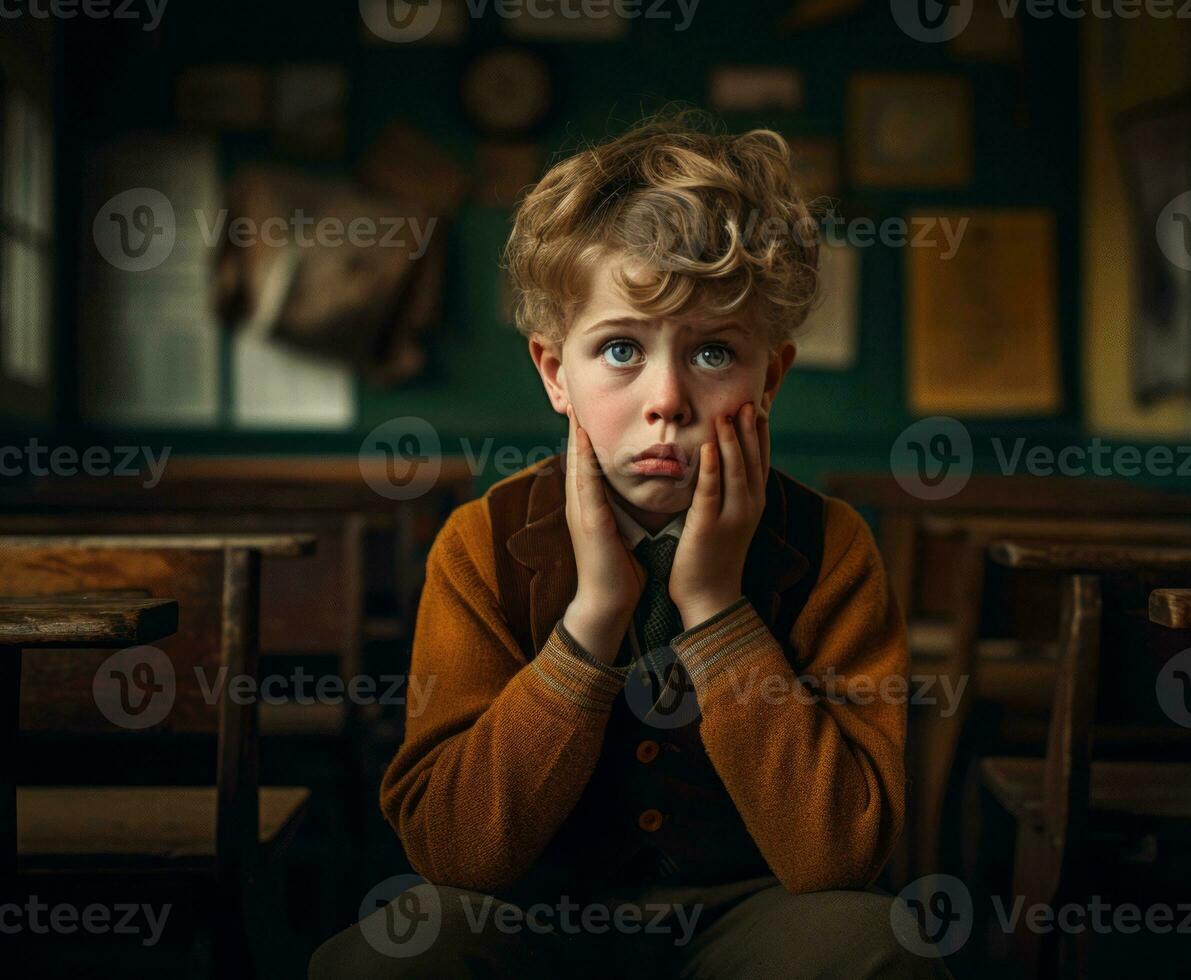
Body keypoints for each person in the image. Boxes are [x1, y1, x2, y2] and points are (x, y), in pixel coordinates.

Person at [310, 108, 953, 978]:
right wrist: (594, 616)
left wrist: (717, 608)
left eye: (715, 353)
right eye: (619, 348)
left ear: (772, 375)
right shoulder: (482, 543)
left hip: (750, 915)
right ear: (553, 373)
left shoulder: (831, 547)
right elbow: (454, 856)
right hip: (530, 913)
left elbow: (839, 857)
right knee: (386, 958)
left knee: (878, 947)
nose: (667, 401)